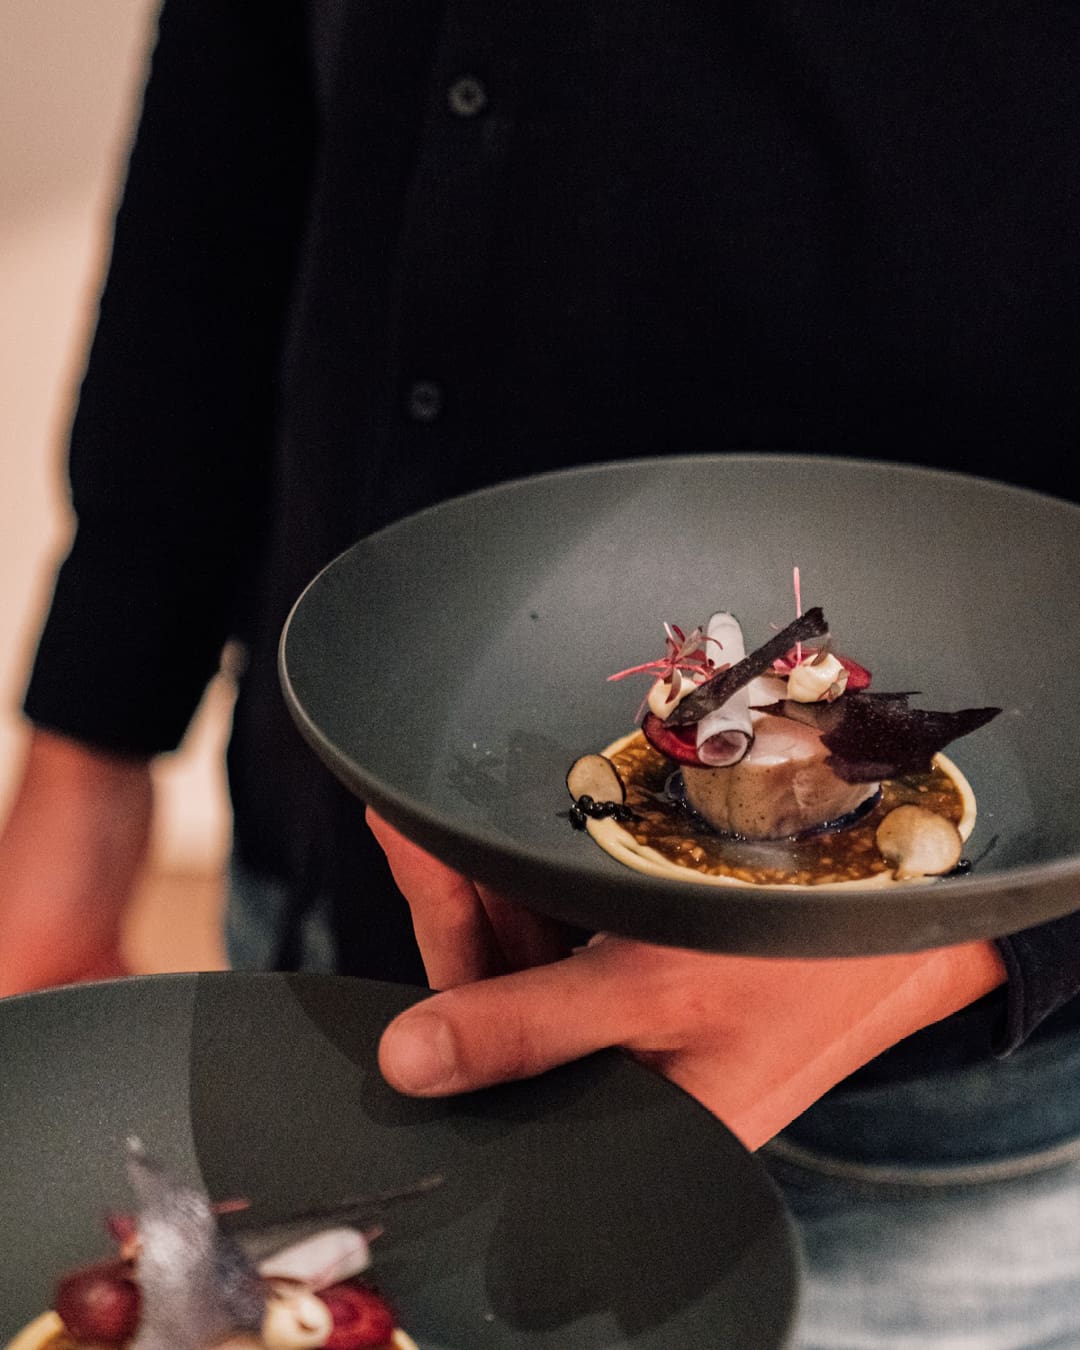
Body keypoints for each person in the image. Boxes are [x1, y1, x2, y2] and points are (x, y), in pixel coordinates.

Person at [3, 2, 1080, 1344]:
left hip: (904, 1126)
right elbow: (246, 79)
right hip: (323, 933)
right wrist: (89, 746)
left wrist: (970, 939)